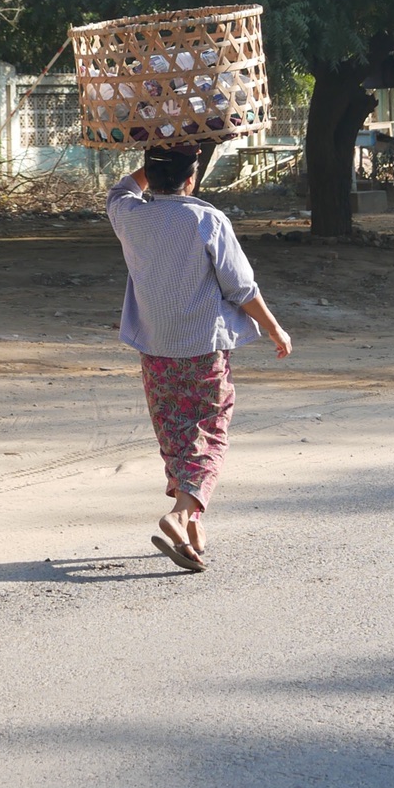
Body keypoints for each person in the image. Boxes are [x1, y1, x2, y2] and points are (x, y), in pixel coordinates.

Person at [107, 143, 292, 572]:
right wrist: (273, 327)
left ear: (151, 176)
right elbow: (241, 286)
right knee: (208, 428)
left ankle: (191, 526)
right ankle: (179, 513)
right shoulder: (207, 219)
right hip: (203, 345)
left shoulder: (129, 215)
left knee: (174, 430)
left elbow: (120, 189)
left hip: (155, 346)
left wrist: (153, 162)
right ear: (192, 178)